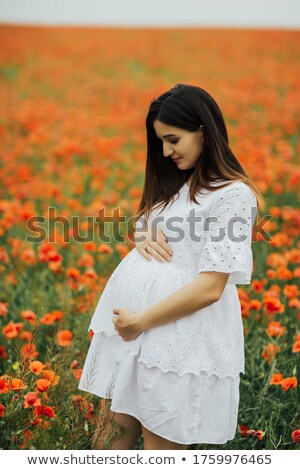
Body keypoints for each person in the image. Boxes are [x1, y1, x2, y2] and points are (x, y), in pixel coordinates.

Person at [78, 83, 264, 450]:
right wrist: (141, 233)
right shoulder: (177, 185)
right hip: (133, 334)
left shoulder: (233, 195)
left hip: (178, 341)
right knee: (107, 445)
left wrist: (141, 321)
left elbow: (212, 286)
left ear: (203, 132)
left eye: (173, 139)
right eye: (160, 141)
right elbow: (156, 227)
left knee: (160, 451)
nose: (165, 151)